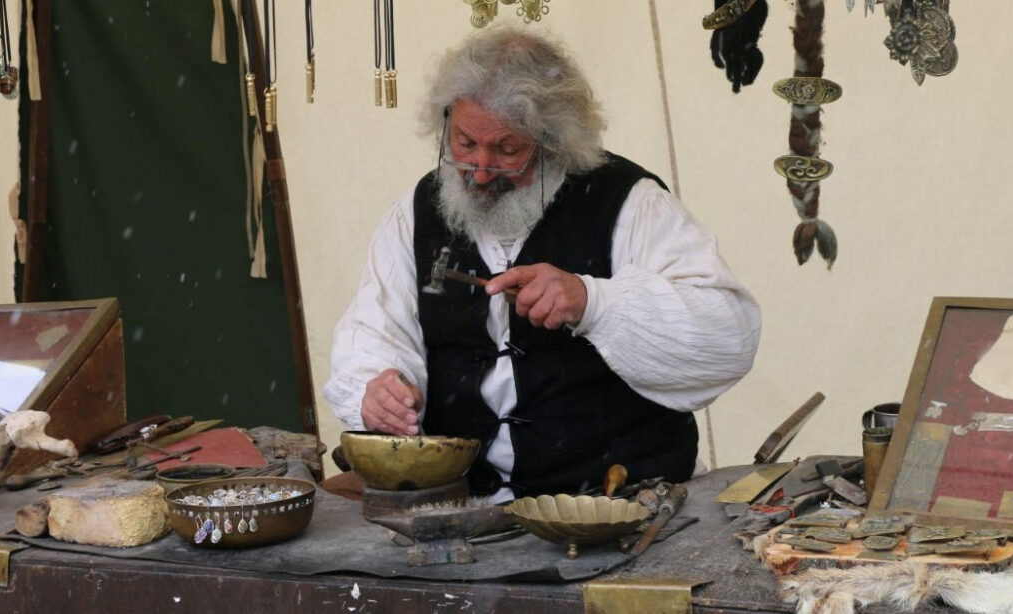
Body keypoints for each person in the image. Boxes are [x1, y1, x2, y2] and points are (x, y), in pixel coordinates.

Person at [324, 27, 761, 503]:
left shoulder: (629, 203)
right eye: (465, 143)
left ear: (554, 142)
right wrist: (381, 388)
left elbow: (728, 333)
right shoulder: (415, 215)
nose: (481, 170)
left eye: (508, 150)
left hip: (623, 505)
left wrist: (595, 302)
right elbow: (374, 332)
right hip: (466, 512)